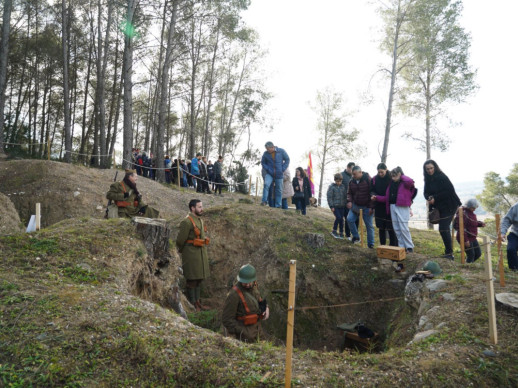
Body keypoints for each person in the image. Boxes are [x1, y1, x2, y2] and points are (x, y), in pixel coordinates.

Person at [176, 199, 211, 311]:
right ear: (192, 208)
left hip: (200, 254)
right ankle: (192, 304)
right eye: (199, 207)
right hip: (191, 255)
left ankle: (197, 302)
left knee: (199, 279)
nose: (202, 209)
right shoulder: (187, 222)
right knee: (192, 280)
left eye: (201, 206)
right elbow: (180, 241)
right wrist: (183, 251)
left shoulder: (199, 220)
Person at [423, 160, 461, 260]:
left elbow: (450, 191)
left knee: (443, 228)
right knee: (443, 229)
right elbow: (425, 192)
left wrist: (435, 197)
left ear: (435, 167)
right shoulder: (427, 179)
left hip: (450, 205)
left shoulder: (442, 176)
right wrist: (429, 198)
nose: (430, 171)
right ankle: (448, 252)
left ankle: (449, 253)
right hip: (439, 206)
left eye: (431, 168)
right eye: (428, 169)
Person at [372, 167, 415, 253]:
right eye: (392, 176)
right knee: (396, 228)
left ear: (399, 174)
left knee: (403, 227)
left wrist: (401, 176)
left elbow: (411, 182)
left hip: (402, 206)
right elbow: (387, 197)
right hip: (392, 206)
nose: (393, 178)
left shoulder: (405, 183)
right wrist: (377, 198)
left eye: (395, 176)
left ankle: (409, 247)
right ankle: (401, 246)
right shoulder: (391, 183)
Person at [222, 264, 269, 342]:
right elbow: (227, 320)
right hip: (244, 334)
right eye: (245, 282)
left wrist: (266, 307)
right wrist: (241, 332)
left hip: (258, 330)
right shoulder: (234, 294)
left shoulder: (254, 286)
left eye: (249, 282)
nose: (247, 284)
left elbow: (258, 300)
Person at [346, 166, 375, 248]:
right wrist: (349, 201)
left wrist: (371, 207)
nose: (353, 176)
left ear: (360, 172)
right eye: (352, 174)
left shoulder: (368, 179)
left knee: (369, 226)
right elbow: (349, 193)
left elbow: (373, 193)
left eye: (354, 174)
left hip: (367, 206)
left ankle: (371, 244)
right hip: (355, 205)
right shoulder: (352, 181)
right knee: (349, 219)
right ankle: (356, 237)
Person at [371, 163, 398, 247]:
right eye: (379, 172)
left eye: (382, 172)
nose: (380, 174)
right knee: (381, 227)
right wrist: (373, 195)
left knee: (391, 227)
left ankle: (393, 245)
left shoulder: (391, 178)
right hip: (378, 206)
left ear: (386, 169)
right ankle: (382, 245)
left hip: (389, 206)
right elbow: (371, 190)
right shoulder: (374, 179)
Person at [454, 199, 485, 263]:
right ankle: (467, 266)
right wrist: (465, 240)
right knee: (471, 254)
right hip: (465, 238)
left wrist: (480, 224)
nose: (474, 209)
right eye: (473, 208)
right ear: (468, 207)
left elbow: (472, 223)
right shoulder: (463, 214)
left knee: (478, 254)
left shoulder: (471, 213)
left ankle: (468, 263)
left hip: (472, 237)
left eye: (475, 207)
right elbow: (461, 228)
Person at [260, 141, 290, 208]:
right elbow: (263, 162)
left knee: (279, 189)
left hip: (279, 174)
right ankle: (264, 201)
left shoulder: (281, 151)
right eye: (266, 149)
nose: (267, 150)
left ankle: (278, 205)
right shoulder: (265, 154)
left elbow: (287, 159)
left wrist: (283, 168)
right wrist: (267, 169)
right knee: (266, 185)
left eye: (268, 149)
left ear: (272, 147)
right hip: (270, 173)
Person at [327, 173, 348, 239]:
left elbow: (345, 196)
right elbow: (329, 197)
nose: (338, 183)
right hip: (335, 206)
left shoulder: (343, 187)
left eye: (340, 181)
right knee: (338, 217)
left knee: (342, 219)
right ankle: (334, 230)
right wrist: (331, 206)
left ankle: (341, 232)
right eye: (337, 181)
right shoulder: (332, 187)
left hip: (342, 206)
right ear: (335, 180)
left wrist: (346, 203)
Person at [341, 162, 357, 240]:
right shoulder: (342, 175)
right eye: (351, 169)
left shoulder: (354, 177)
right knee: (345, 218)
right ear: (348, 167)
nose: (352, 171)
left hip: (353, 201)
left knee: (352, 218)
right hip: (343, 201)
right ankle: (346, 234)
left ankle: (352, 235)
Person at [500, 201, 518, 270]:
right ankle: (514, 269)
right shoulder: (516, 206)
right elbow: (507, 220)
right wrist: (503, 233)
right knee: (511, 249)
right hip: (515, 234)